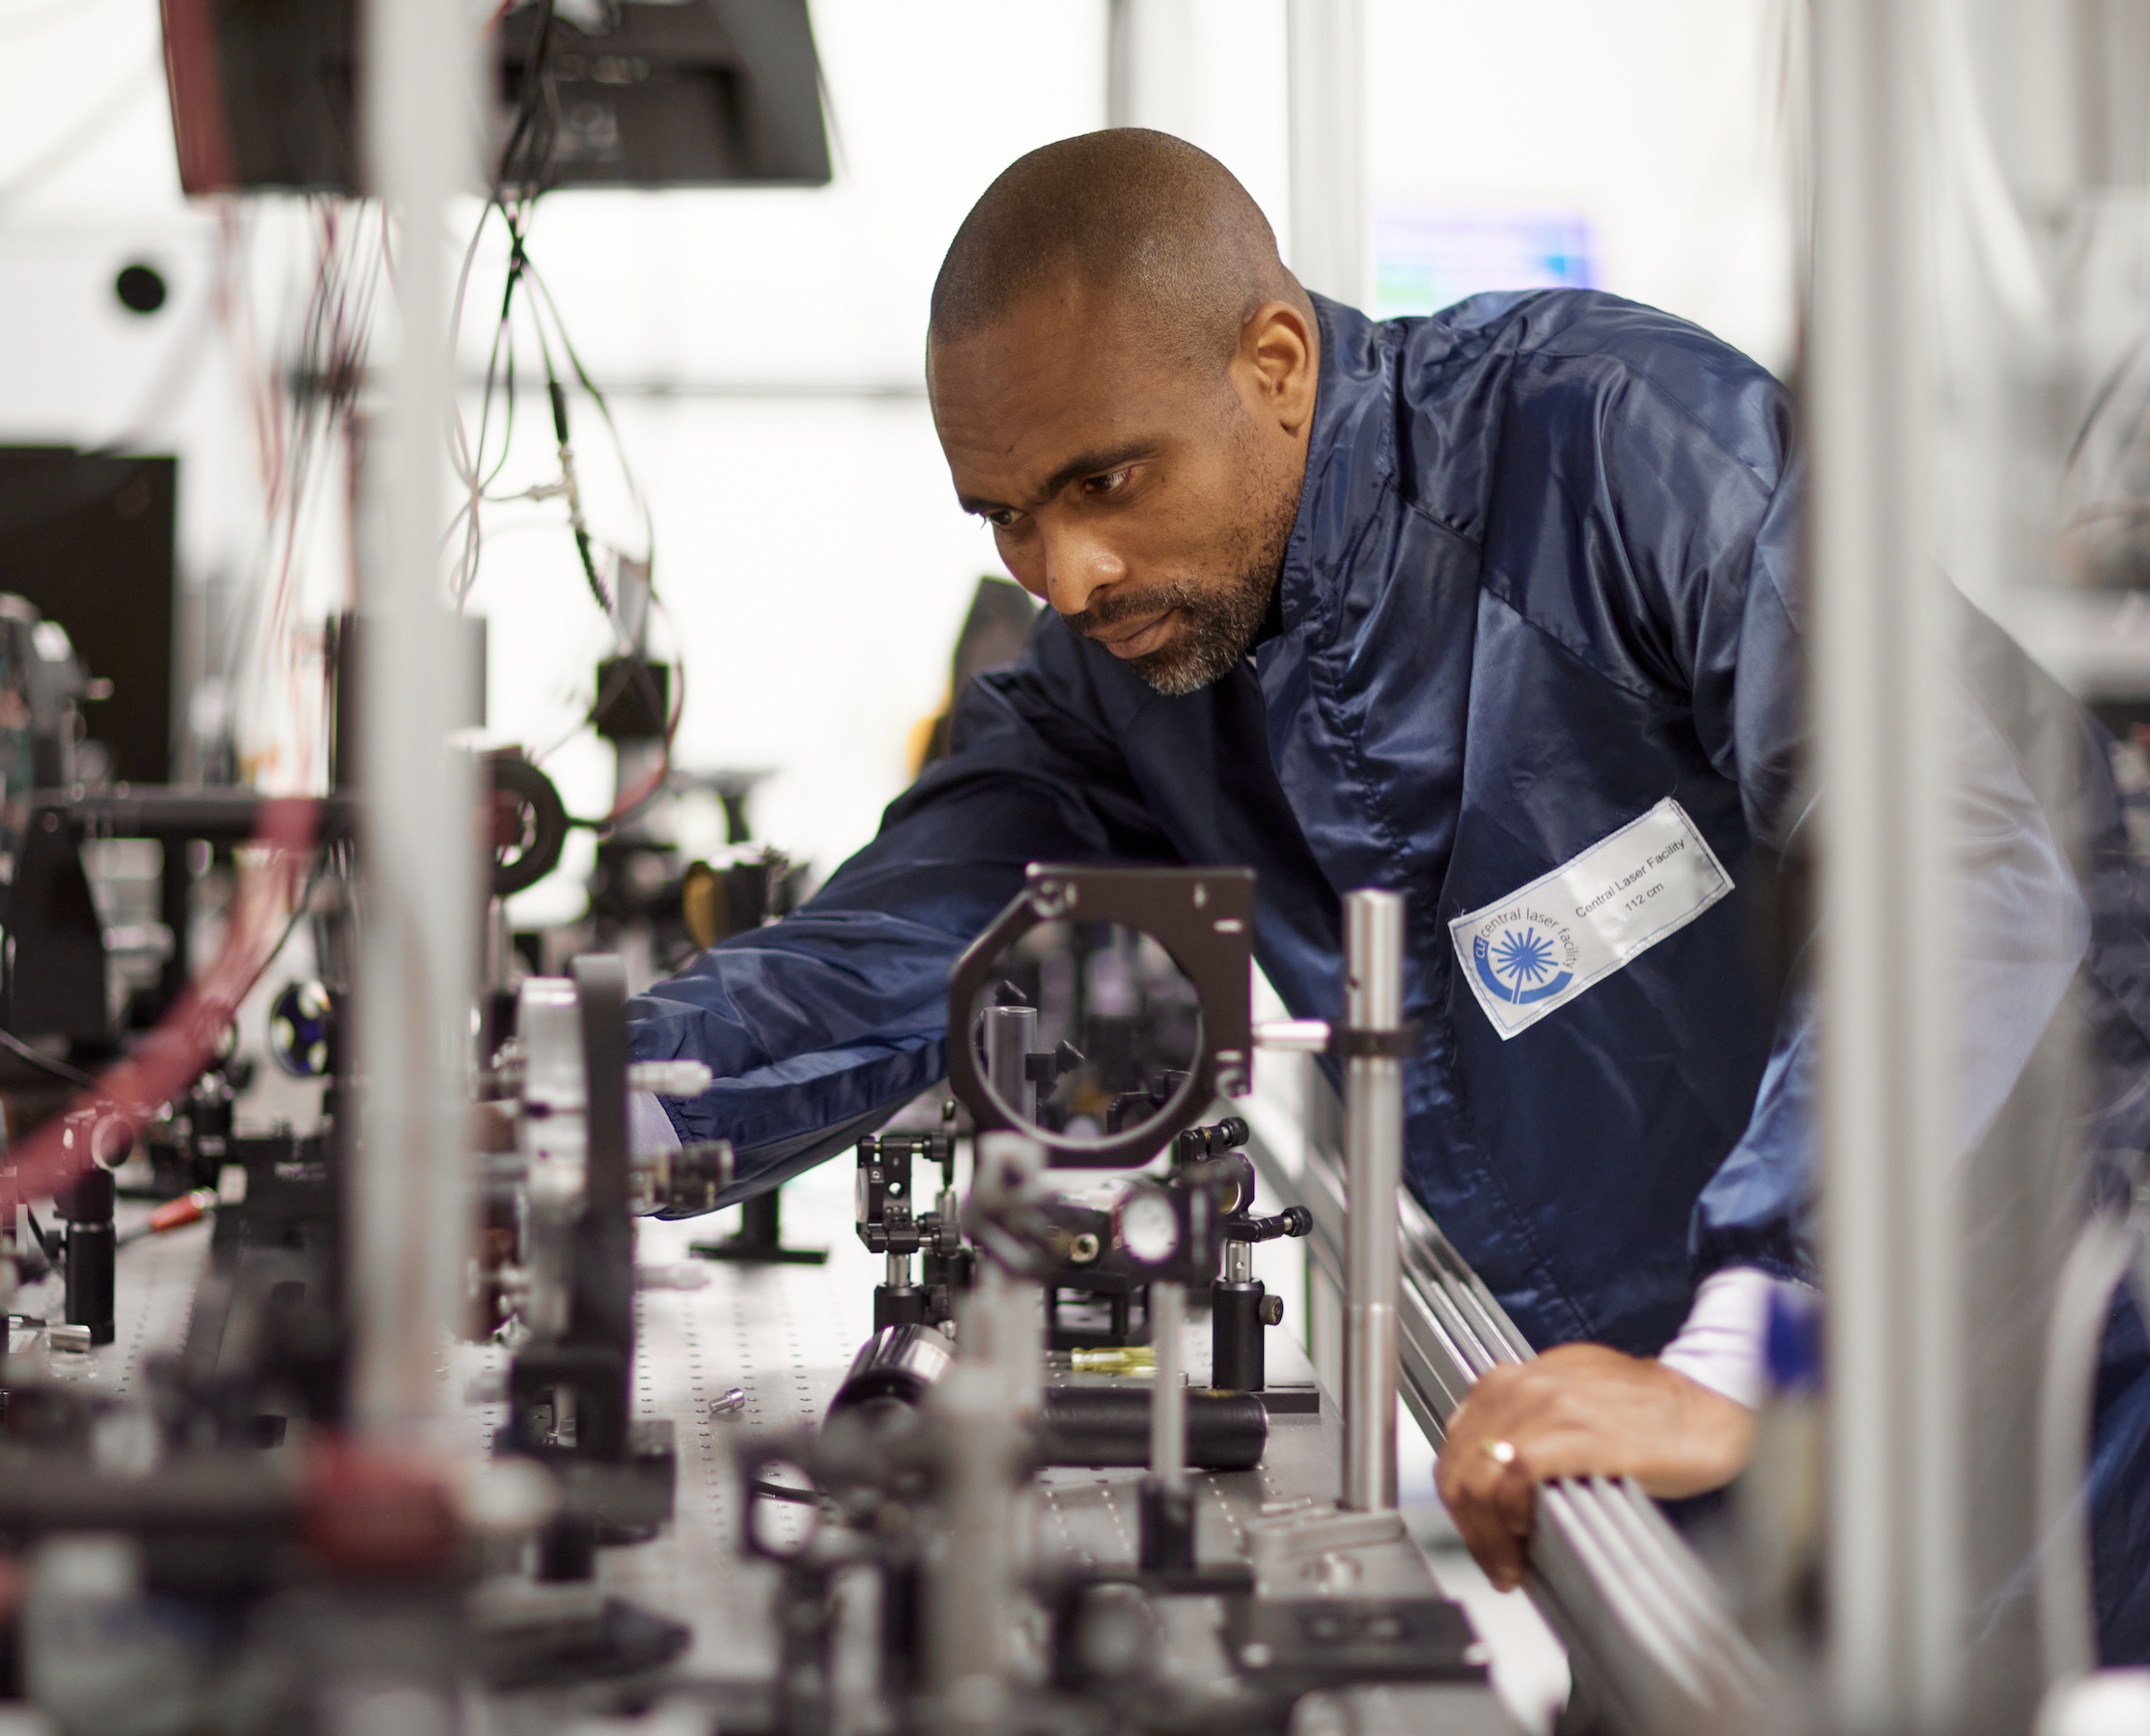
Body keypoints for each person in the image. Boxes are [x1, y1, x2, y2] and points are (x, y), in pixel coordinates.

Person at [622, 129, 2150, 1654]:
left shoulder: (1613, 447)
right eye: (1006, 513)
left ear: (1276, 361)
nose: (1065, 571)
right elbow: (907, 933)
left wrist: (1758, 1330)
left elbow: (1960, 864)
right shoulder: (1125, 676)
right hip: (1667, 1428)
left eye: (1104, 479)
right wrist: (594, 1109)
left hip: (2033, 1383)